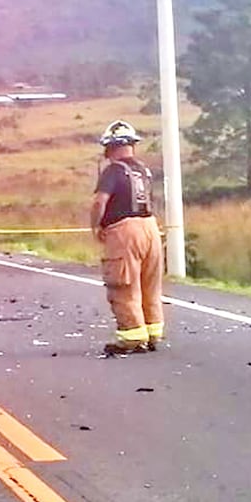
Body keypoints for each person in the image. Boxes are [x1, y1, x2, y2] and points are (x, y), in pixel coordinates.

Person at [89, 121, 164, 355]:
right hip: (150, 228)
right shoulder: (144, 170)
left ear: (110, 147)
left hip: (124, 231)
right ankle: (153, 333)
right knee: (149, 284)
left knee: (123, 285)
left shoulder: (113, 170)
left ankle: (131, 337)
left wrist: (96, 226)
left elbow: (100, 201)